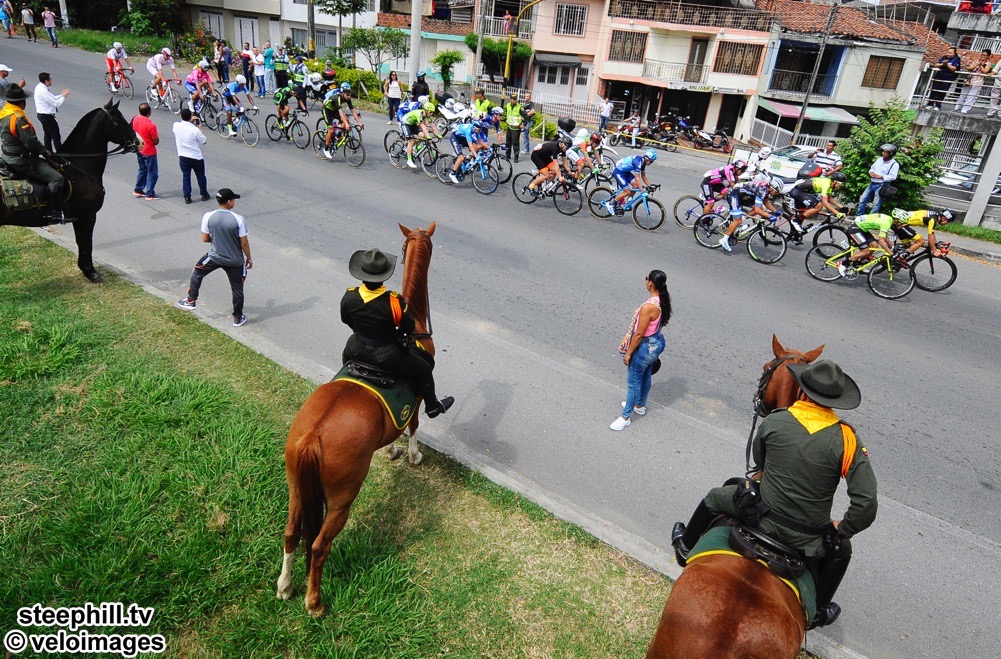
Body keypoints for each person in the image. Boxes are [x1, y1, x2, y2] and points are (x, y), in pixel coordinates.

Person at [671, 358, 876, 630]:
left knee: (714, 496)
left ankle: (685, 547)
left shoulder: (777, 420)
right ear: (835, 400)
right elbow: (866, 504)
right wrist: (843, 528)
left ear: (802, 390)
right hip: (807, 538)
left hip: (760, 516)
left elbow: (760, 461)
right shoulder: (848, 439)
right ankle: (818, 612)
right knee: (843, 550)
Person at [340, 247, 454, 418]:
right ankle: (432, 407)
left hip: (356, 348)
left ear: (361, 274)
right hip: (387, 355)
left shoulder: (349, 296)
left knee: (345, 358)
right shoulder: (394, 302)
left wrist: (361, 331)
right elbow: (408, 327)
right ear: (383, 276)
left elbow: (346, 319)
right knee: (424, 370)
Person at [177, 188, 252, 328]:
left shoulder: (208, 216)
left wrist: (218, 239)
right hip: (235, 261)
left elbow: (205, 238)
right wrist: (249, 259)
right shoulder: (238, 219)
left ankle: (191, 300)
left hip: (215, 257)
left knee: (197, 271)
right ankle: (237, 318)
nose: (234, 202)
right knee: (237, 288)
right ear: (229, 202)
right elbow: (244, 243)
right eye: (233, 200)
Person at [610, 270, 671, 431]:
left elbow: (639, 334)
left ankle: (625, 417)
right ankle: (640, 405)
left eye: (646, 279)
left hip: (645, 347)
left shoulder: (648, 307)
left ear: (650, 282)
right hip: (656, 343)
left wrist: (628, 353)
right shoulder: (662, 300)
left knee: (633, 381)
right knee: (646, 374)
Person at [0, 85, 65, 222]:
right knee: (57, 178)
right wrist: (44, 151)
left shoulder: (4, 113)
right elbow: (30, 142)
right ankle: (53, 213)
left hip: (7, 156)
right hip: (21, 161)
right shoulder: (18, 118)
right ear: (21, 101)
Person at [718, 177, 784, 252]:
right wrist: (770, 216)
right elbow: (757, 209)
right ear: (772, 188)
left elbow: (765, 201)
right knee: (738, 220)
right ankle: (724, 240)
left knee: (760, 208)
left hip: (744, 195)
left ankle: (739, 221)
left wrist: (776, 211)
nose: (777, 194)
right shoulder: (763, 190)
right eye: (777, 192)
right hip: (735, 195)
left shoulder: (766, 189)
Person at [173, 108, 210, 204]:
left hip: (183, 156)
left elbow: (183, 126)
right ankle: (204, 194)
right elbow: (204, 141)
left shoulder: (176, 126)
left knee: (186, 176)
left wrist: (189, 121)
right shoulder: (195, 130)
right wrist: (200, 128)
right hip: (196, 157)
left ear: (181, 116)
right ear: (191, 117)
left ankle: (187, 197)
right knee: (200, 176)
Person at [890, 208, 954, 256]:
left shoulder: (934, 215)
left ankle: (895, 260)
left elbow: (932, 234)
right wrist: (934, 251)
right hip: (900, 224)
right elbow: (930, 238)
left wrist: (936, 244)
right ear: (944, 218)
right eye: (948, 222)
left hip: (901, 224)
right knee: (921, 241)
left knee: (908, 246)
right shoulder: (933, 220)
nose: (947, 224)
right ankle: (902, 257)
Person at [32, 72, 68, 152]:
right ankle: (60, 153)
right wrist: (64, 97)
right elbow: (56, 103)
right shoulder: (43, 91)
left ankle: (48, 152)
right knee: (55, 135)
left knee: (48, 135)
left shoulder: (41, 87)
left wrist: (61, 95)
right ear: (46, 81)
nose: (51, 80)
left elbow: (52, 98)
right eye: (50, 79)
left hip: (42, 115)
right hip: (46, 116)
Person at [858, 144, 899, 214]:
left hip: (881, 185)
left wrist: (880, 176)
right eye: (883, 151)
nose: (883, 153)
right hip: (872, 183)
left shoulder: (894, 164)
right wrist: (871, 172)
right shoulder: (879, 159)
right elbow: (872, 168)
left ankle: (871, 218)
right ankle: (859, 216)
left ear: (891, 153)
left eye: (885, 152)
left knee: (876, 204)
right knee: (862, 199)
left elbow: (893, 176)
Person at [131, 102, 160, 200]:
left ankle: (138, 189)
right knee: (152, 172)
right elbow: (156, 141)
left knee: (142, 169)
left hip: (139, 147)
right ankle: (150, 193)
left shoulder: (135, 119)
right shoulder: (151, 125)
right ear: (149, 112)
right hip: (149, 151)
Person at [400, 97, 438, 169]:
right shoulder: (420, 114)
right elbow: (423, 126)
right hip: (405, 123)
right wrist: (428, 136)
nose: (431, 113)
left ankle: (412, 147)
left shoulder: (427, 115)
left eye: (432, 112)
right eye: (430, 112)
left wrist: (438, 134)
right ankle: (409, 160)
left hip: (413, 124)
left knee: (423, 135)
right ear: (426, 110)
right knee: (411, 141)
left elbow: (432, 125)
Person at [956, 49, 992, 113]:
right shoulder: (976, 61)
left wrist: (981, 65)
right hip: (969, 79)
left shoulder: (988, 64)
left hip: (978, 81)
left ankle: (964, 110)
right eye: (982, 54)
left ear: (988, 56)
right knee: (963, 94)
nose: (982, 56)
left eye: (984, 55)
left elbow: (985, 71)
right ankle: (957, 107)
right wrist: (977, 64)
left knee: (971, 96)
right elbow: (969, 68)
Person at [502, 93, 523, 163]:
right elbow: (507, 116)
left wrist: (523, 124)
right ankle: (507, 155)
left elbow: (526, 117)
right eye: (513, 99)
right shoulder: (508, 106)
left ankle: (516, 157)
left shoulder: (519, 107)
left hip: (516, 128)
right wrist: (502, 118)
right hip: (509, 126)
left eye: (515, 99)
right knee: (508, 142)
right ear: (510, 99)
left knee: (515, 143)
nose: (515, 100)